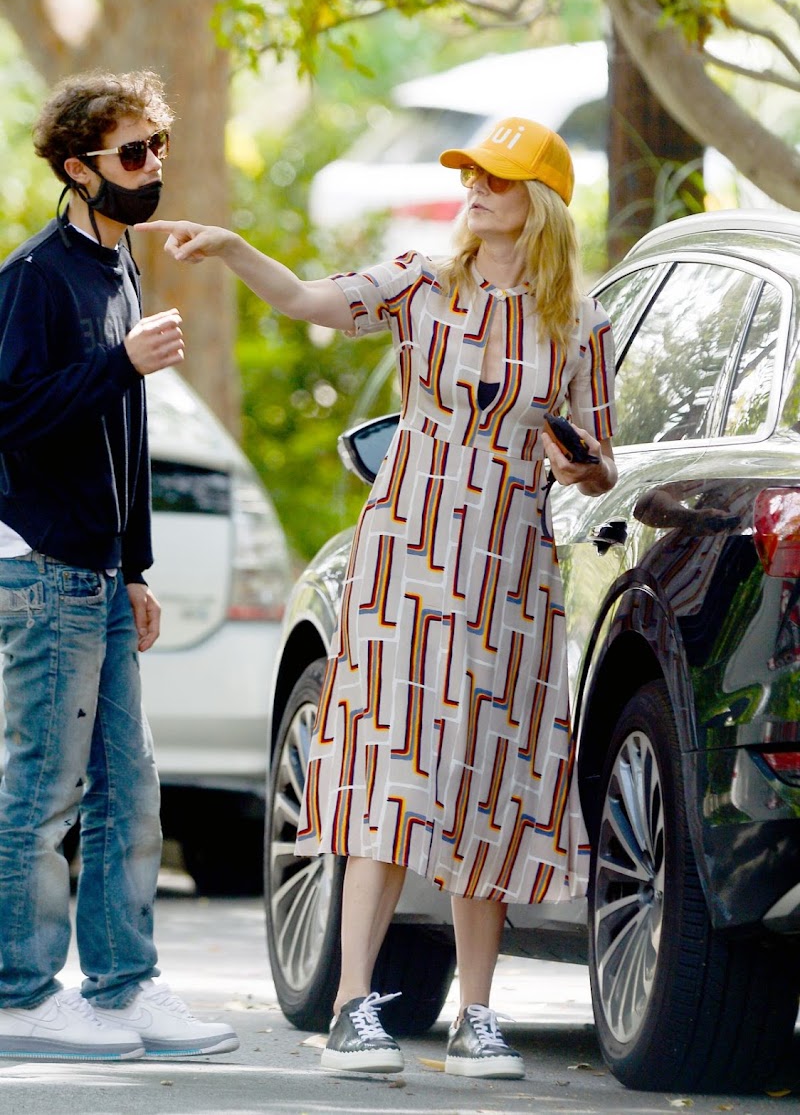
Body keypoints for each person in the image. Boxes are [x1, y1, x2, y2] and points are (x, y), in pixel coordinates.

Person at [139, 114, 617, 1079]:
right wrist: (234, 250)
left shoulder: (580, 324)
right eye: (471, 174)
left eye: (498, 179)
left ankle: (480, 1017)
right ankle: (354, 1006)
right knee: (387, 778)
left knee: (490, 781)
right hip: (406, 565)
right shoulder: (420, 281)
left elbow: (601, 468)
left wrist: (580, 464)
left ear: (543, 203)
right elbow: (313, 298)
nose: (476, 190)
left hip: (510, 578)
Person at [0, 70, 238, 1062]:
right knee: (42, 787)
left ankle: (122, 983)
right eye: (132, 154)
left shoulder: (120, 264)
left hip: (97, 570)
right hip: (43, 563)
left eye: (158, 150)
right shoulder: (34, 277)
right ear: (75, 166)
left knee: (128, 787)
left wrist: (135, 563)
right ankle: (18, 991)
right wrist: (121, 363)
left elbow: (122, 433)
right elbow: (13, 419)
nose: (151, 171)